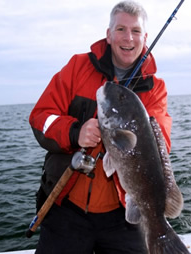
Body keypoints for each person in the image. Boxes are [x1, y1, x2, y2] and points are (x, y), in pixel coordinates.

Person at [29, 1, 172, 253]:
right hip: (67, 209)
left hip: (124, 215)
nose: (128, 38)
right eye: (120, 29)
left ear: (145, 37)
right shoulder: (77, 67)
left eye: (136, 31)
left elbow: (161, 146)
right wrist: (75, 132)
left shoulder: (155, 88)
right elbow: (41, 116)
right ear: (108, 34)